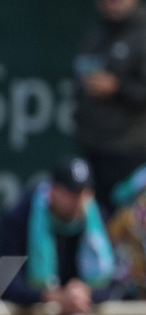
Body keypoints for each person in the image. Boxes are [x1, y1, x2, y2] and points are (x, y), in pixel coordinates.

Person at [0, 157, 116, 315]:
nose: (79, 200)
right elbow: (7, 285)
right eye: (71, 193)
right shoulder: (20, 217)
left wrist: (85, 293)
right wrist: (53, 297)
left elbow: (115, 282)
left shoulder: (99, 219)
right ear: (52, 191)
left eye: (84, 192)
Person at [73, 0, 146, 217]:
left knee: (129, 226)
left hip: (132, 154)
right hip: (93, 149)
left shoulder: (142, 34)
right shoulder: (96, 33)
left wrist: (118, 88)